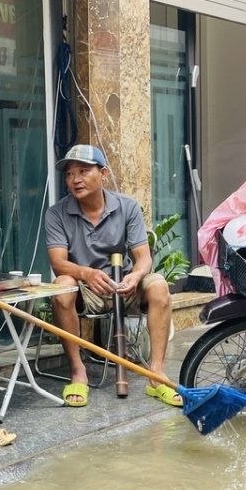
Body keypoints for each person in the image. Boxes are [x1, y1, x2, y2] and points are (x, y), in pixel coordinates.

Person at [44, 144, 179, 409]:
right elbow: (59, 263)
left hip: (124, 283)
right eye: (70, 174)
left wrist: (136, 275)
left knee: (159, 285)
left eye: (83, 171)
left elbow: (143, 258)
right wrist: (86, 272)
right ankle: (78, 372)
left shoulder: (127, 207)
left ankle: (157, 375)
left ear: (103, 173)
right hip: (86, 289)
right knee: (62, 286)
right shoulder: (57, 213)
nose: (75, 179)